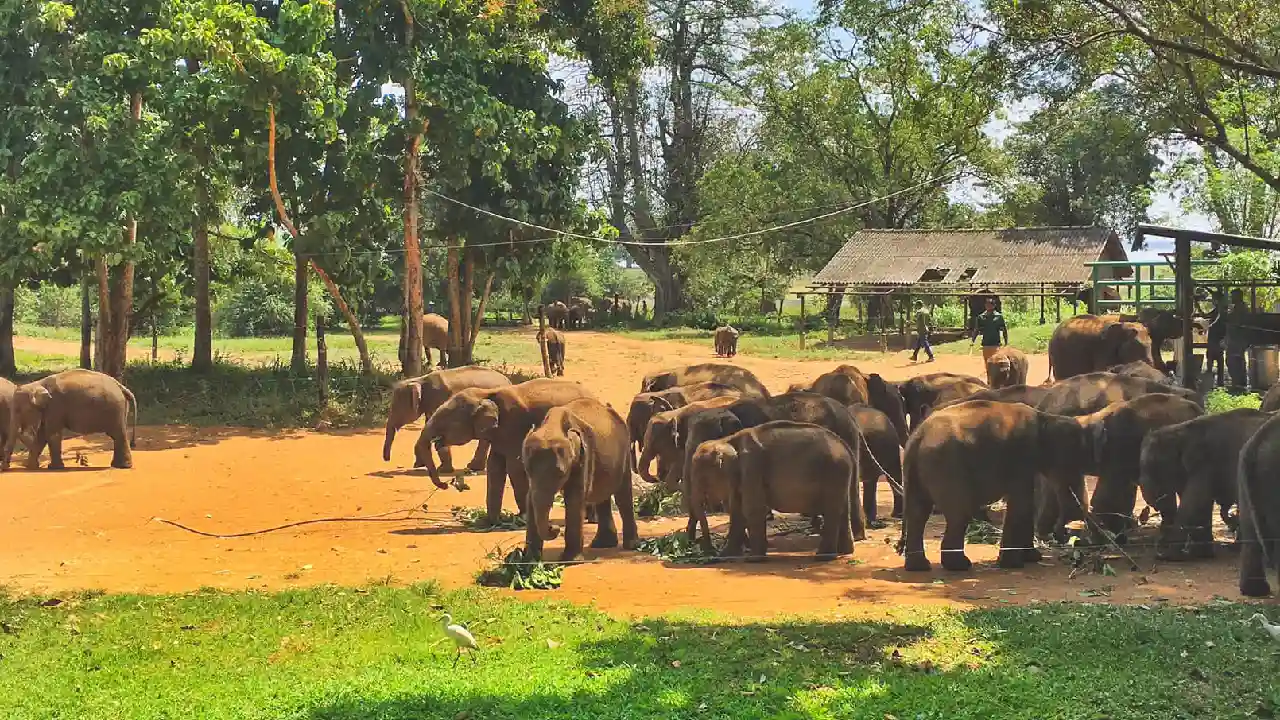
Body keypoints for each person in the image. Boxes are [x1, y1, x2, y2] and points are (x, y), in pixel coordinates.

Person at [970, 297, 1008, 363]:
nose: (988, 306)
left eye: (990, 304)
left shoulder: (999, 317)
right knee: (987, 363)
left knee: (996, 363)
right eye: (987, 304)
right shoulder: (981, 317)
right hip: (986, 344)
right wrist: (973, 340)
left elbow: (1004, 330)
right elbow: (976, 330)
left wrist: (1006, 342)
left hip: (996, 344)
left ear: (994, 306)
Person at [1225, 288, 1250, 388]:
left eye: (1233, 296)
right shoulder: (1238, 307)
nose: (1231, 298)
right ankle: (1238, 381)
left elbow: (1236, 320)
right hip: (1236, 338)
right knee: (1235, 359)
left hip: (1238, 338)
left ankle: (1239, 382)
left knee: (1235, 359)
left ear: (1238, 297)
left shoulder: (1241, 308)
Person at [1201, 291, 1227, 387]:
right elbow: (1205, 316)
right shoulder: (1218, 310)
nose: (1212, 301)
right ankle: (1216, 383)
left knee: (1216, 359)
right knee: (1213, 358)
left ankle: (1216, 383)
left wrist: (1210, 326)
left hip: (1217, 337)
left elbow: (1216, 320)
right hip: (1215, 337)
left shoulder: (1222, 311)